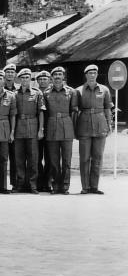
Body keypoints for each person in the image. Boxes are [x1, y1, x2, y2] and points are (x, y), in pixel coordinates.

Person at [76, 64, 113, 195]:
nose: (92, 75)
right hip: (84, 126)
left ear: (97, 75)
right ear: (85, 75)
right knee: (84, 158)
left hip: (100, 125)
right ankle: (85, 187)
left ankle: (94, 186)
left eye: (94, 73)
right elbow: (75, 111)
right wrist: (76, 128)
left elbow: (108, 108)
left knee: (98, 157)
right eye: (89, 73)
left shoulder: (104, 90)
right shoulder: (79, 90)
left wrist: (109, 125)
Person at [43, 67, 78, 195]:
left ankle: (65, 186)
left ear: (63, 77)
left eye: (60, 74)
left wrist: (73, 129)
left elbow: (74, 112)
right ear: (51, 78)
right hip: (51, 126)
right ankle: (55, 185)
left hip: (67, 126)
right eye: (55, 75)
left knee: (67, 160)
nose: (57, 76)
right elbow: (45, 113)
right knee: (53, 159)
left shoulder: (71, 92)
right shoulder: (46, 93)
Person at [14, 68, 46, 193]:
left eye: (27, 77)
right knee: (19, 158)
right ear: (19, 79)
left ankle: (33, 185)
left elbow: (41, 113)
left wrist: (41, 129)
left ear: (30, 79)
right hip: (18, 128)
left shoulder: (37, 93)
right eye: (22, 77)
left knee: (33, 158)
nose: (24, 80)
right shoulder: (14, 94)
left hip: (32, 127)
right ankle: (20, 184)